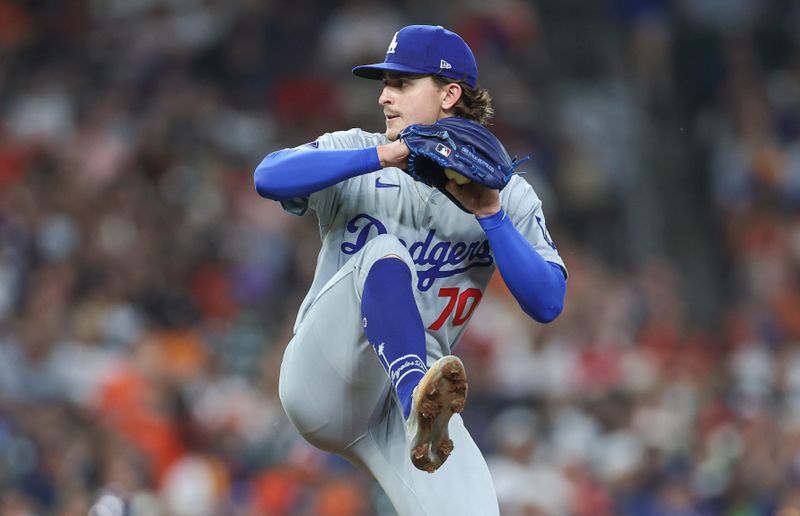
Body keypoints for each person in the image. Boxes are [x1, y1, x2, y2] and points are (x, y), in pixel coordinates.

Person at [254, 24, 567, 515]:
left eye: (401, 83)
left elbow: (548, 302)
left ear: (449, 94)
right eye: (385, 84)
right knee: (384, 252)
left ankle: (417, 405)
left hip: (412, 415)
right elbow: (267, 177)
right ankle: (412, 391)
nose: (383, 97)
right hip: (329, 377)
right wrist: (382, 155)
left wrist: (492, 216)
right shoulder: (358, 149)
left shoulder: (506, 193)